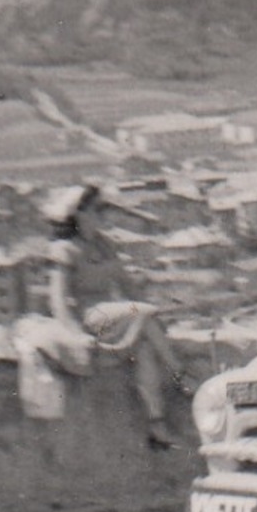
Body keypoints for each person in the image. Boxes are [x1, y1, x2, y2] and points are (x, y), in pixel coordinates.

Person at [45, 185, 186, 451]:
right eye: (98, 209)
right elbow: (59, 300)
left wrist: (149, 311)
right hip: (90, 317)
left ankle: (157, 427)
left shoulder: (105, 245)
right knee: (143, 312)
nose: (103, 214)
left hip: (115, 314)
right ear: (79, 213)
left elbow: (126, 285)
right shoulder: (64, 249)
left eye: (104, 208)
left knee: (145, 349)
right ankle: (181, 376)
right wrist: (76, 335)